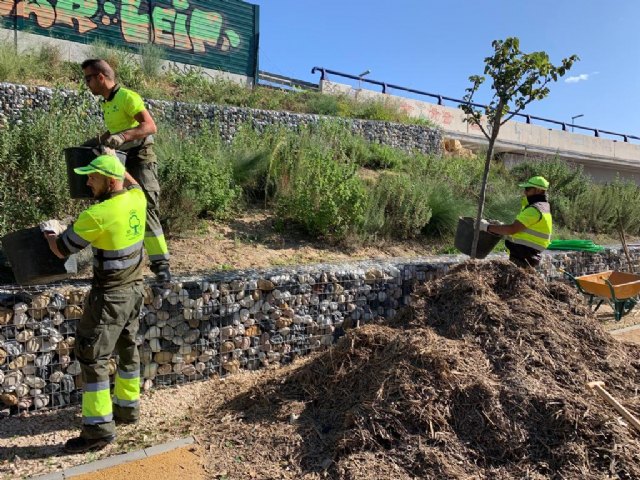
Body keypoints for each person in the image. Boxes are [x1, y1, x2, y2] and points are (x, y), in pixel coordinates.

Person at [43, 154, 146, 453]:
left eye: (93, 176)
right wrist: (118, 163)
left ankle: (98, 431)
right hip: (135, 289)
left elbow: (62, 250)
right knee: (128, 347)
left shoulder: (98, 214)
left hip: (110, 296)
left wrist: (50, 231)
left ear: (110, 181)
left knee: (92, 357)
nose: (87, 181)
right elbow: (135, 184)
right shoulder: (137, 199)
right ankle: (128, 410)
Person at [80, 58, 171, 283]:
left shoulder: (127, 97)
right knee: (114, 208)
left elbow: (150, 126)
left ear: (101, 77)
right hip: (120, 161)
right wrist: (94, 141)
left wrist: (122, 136)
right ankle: (124, 264)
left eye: (88, 79)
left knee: (146, 207)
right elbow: (115, 129)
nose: (86, 84)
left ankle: (161, 266)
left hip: (140, 159)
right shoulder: (107, 102)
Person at [480, 175, 552, 268]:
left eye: (527, 189)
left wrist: (487, 227)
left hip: (523, 258)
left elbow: (512, 229)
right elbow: (522, 229)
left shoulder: (534, 209)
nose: (524, 192)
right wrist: (500, 226)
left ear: (538, 190)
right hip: (527, 256)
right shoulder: (543, 207)